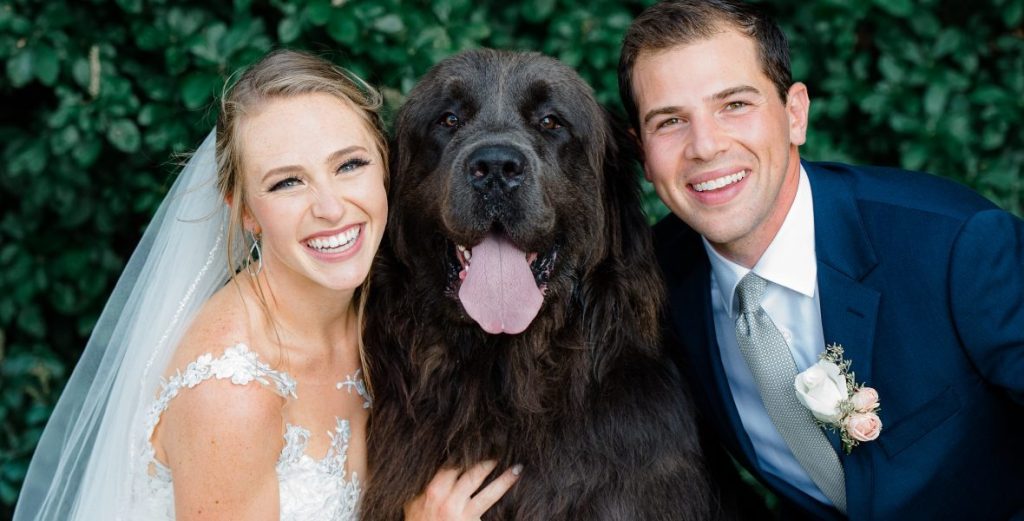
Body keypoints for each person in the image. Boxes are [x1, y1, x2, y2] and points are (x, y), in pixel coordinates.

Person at [14, 49, 518, 521]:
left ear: (388, 168)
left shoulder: (391, 306)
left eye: (349, 165)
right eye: (287, 182)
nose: (330, 207)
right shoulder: (231, 392)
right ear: (245, 211)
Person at [618, 1, 1024, 519]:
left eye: (735, 104)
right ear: (642, 154)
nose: (705, 145)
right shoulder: (648, 286)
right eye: (670, 121)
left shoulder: (957, 246)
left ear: (795, 114)